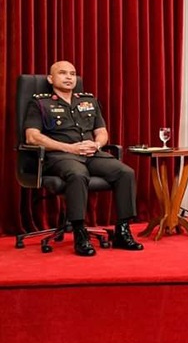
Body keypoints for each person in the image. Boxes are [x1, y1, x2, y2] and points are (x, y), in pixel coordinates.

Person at [23, 61, 144, 256]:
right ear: (50, 79)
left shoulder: (88, 101)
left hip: (91, 153)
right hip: (60, 155)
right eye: (62, 73)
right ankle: (80, 232)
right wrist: (69, 148)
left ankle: (122, 230)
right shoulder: (40, 103)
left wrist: (96, 145)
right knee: (78, 174)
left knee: (125, 172)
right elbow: (32, 136)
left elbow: (102, 132)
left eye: (72, 73)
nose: (69, 77)